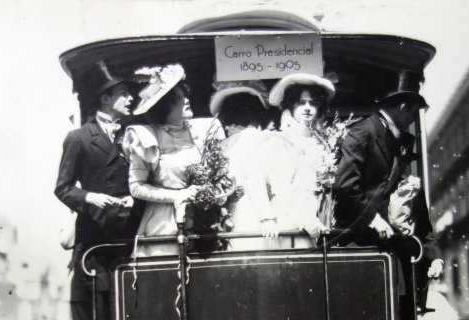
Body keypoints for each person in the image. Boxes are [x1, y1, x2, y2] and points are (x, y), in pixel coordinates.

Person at [332, 70, 443, 320]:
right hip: (362, 246)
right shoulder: (363, 132)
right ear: (404, 106)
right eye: (414, 110)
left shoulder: (401, 144)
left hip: (394, 254)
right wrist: (374, 218)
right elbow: (344, 187)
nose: (413, 118)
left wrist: (434, 255)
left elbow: (417, 211)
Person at [55, 61, 143, 320]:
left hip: (130, 237)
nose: (130, 98)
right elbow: (63, 188)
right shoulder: (79, 139)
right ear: (105, 98)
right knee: (102, 316)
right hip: (96, 245)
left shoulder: (133, 135)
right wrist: (91, 198)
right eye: (123, 93)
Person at [123, 64, 217, 257]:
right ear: (165, 105)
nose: (187, 100)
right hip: (164, 226)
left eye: (185, 94)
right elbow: (136, 187)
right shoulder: (146, 137)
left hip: (201, 223)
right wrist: (177, 196)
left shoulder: (198, 131)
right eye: (179, 98)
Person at [266, 73, 334, 248]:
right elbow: (281, 189)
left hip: (317, 218)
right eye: (301, 103)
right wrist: (305, 220)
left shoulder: (319, 142)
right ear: (291, 106)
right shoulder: (282, 141)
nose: (307, 108)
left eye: (312, 103)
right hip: (291, 221)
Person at [209, 81, 277, 251]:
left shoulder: (226, 144)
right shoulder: (254, 138)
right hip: (252, 209)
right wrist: (266, 216)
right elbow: (255, 178)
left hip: (234, 210)